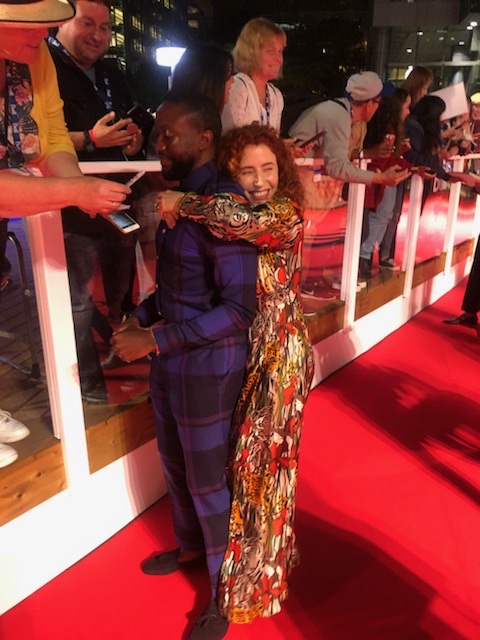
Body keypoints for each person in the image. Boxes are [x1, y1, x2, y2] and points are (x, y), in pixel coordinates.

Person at [110, 93, 258, 640]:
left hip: (209, 366)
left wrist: (152, 339)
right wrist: (138, 318)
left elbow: (239, 310)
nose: (158, 144)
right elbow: (175, 288)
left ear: (205, 138)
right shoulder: (181, 201)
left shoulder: (223, 206)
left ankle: (225, 591)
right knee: (174, 462)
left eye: (169, 135)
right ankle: (192, 548)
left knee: (208, 480)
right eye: (159, 135)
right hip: (172, 358)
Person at [155, 123, 314, 627]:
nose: (259, 179)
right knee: (240, 473)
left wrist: (183, 201)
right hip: (249, 355)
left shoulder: (282, 214)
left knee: (262, 476)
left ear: (282, 171)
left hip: (279, 360)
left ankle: (249, 587)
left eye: (268, 168)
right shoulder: (234, 212)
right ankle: (235, 571)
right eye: (247, 171)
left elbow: (234, 218)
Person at [0, 0, 130, 468]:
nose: (43, 33)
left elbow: (51, 136)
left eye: (47, 24)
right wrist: (75, 191)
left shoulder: (36, 56)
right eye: (29, 25)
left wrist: (78, 188)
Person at [48, 0, 147, 402]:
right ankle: (85, 383)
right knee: (76, 299)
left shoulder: (112, 72)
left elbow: (129, 125)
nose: (97, 34)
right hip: (70, 207)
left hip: (119, 198)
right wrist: (91, 139)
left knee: (119, 295)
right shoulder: (43, 64)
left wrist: (132, 140)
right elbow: (39, 140)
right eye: (87, 23)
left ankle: (116, 351)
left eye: (105, 27)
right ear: (61, 22)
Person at [289, 71, 410, 295]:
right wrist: (379, 178)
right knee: (310, 236)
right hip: (299, 184)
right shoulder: (338, 115)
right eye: (378, 101)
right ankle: (301, 286)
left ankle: (304, 284)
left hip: (306, 184)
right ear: (369, 103)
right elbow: (337, 166)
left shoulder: (339, 112)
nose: (379, 107)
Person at [379, 65, 433, 266]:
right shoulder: (405, 117)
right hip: (392, 167)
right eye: (425, 87)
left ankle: (382, 254)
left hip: (400, 166)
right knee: (386, 213)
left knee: (390, 213)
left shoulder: (412, 115)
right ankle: (378, 255)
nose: (426, 92)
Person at [221, 17, 286, 133]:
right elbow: (231, 139)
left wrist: (283, 144)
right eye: (271, 52)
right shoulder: (237, 87)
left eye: (280, 52)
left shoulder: (276, 96)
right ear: (251, 52)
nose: (279, 59)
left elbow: (273, 138)